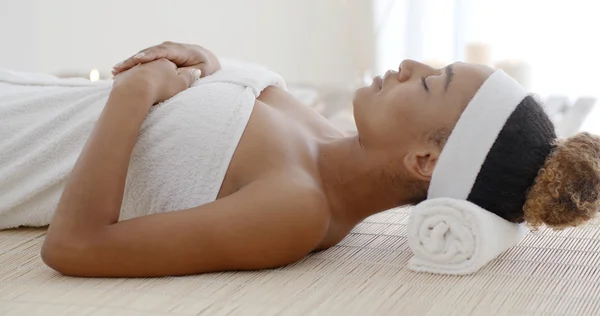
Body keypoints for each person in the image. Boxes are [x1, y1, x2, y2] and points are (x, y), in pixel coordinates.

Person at [2, 42, 599, 278]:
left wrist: (134, 93)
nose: (412, 64)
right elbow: (212, 107)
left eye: (428, 84)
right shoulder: (319, 130)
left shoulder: (295, 212)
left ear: (423, 160)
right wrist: (202, 61)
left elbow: (76, 247)